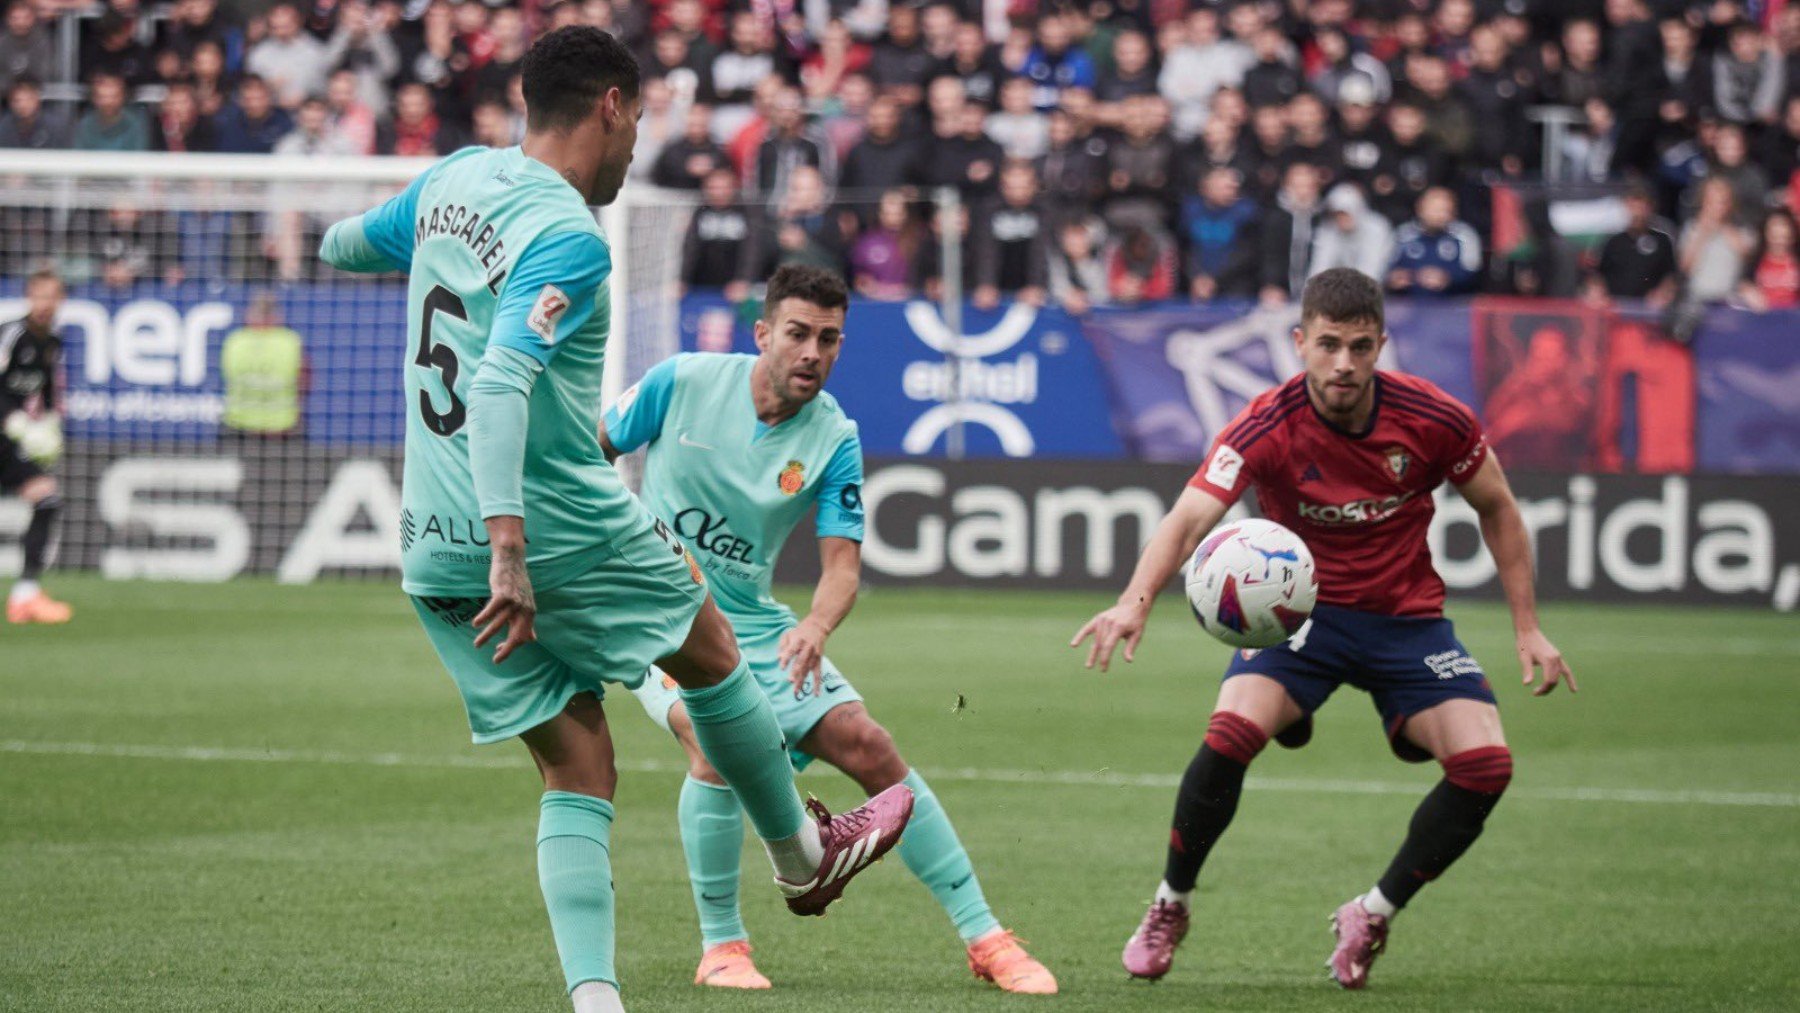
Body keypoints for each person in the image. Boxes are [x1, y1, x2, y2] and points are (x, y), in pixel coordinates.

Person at [316, 28, 912, 1013]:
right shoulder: (568, 234)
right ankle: (804, 854)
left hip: (431, 543)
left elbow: (342, 243)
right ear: (611, 106)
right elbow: (503, 380)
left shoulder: (450, 185)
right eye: (640, 116)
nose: (639, 139)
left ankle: (596, 1000)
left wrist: (414, 245)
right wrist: (512, 544)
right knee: (714, 647)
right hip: (547, 527)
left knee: (578, 756)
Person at [1072, 267, 1574, 991]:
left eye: (1361, 346)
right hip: (1299, 622)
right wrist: (1135, 599)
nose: (1345, 363)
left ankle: (1371, 912)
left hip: (1407, 622)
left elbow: (1498, 506)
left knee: (1486, 766)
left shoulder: (1434, 417)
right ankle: (1169, 901)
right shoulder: (1265, 424)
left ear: (1381, 345)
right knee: (1227, 736)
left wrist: (1528, 627)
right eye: (1330, 344)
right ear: (1300, 341)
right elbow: (1188, 517)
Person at [602, 264, 1055, 996]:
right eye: (798, 333)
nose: (813, 351)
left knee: (869, 743)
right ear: (763, 334)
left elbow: (842, 566)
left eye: (829, 339)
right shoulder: (680, 380)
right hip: (655, 612)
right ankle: (723, 946)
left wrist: (815, 623)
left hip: (752, 620)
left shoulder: (834, 436)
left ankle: (986, 936)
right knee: (710, 738)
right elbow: (591, 451)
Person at [0, 268, 71, 624]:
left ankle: (26, 595)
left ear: (61, 300)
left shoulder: (52, 342)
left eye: (51, 297)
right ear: (29, 297)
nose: (44, 304)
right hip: (8, 431)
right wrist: (14, 421)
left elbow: (43, 390)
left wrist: (49, 424)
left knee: (47, 499)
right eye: (38, 296)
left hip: (9, 442)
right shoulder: (11, 335)